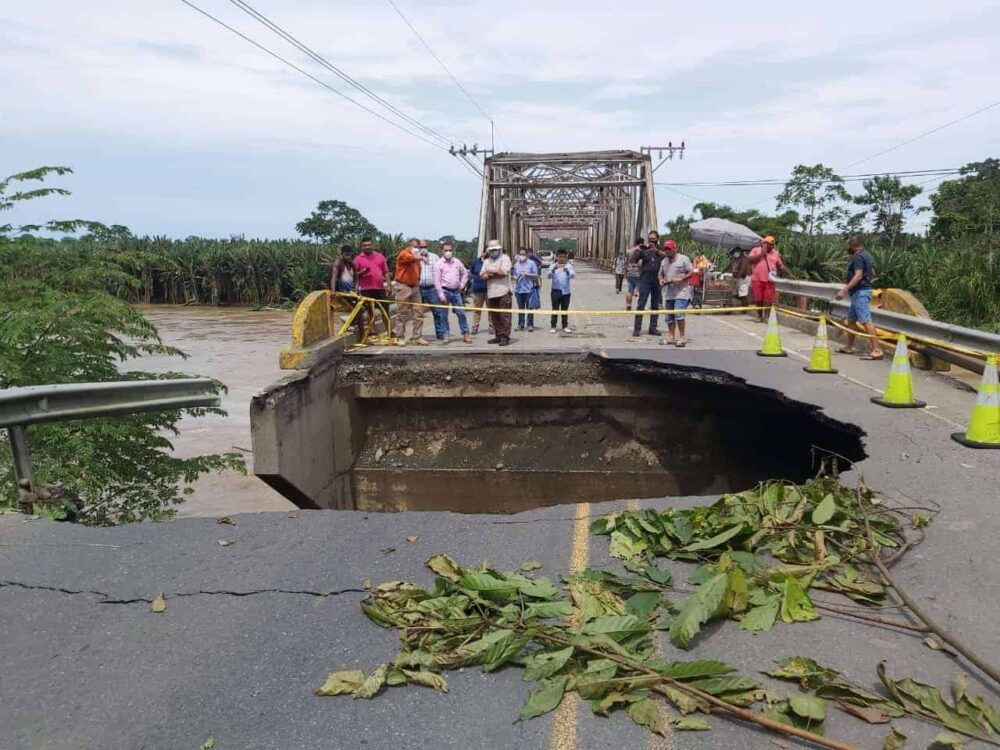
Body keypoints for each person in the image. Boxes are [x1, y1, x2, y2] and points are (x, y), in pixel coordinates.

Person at [836, 236, 885, 360]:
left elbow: (858, 276)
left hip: (860, 292)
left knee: (865, 320)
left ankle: (877, 350)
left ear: (853, 246)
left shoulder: (857, 257)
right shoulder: (867, 255)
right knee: (852, 320)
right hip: (860, 292)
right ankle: (849, 347)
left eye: (848, 246)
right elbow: (872, 273)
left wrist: (844, 289)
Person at [658, 240, 695, 347]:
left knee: (679, 314)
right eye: (666, 249)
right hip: (669, 292)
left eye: (669, 249)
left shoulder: (683, 259)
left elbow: (691, 272)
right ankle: (671, 337)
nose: (667, 251)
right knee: (669, 316)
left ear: (674, 249)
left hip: (682, 292)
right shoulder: (664, 261)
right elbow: (660, 274)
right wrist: (661, 280)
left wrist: (681, 278)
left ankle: (682, 337)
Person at [434, 241, 472, 344]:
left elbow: (465, 273)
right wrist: (441, 295)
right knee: (443, 315)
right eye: (446, 250)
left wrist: (462, 285)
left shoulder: (457, 262)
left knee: (461, 313)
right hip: (445, 291)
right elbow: (437, 281)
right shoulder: (439, 264)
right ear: (442, 251)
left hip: (456, 292)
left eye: (450, 250)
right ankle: (446, 334)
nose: (448, 252)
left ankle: (465, 333)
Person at [392, 238, 428, 346]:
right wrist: (421, 257)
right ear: (409, 246)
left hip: (415, 286)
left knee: (418, 312)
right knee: (402, 313)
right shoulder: (404, 254)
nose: (417, 249)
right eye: (415, 247)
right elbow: (410, 258)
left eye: (419, 247)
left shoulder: (417, 260)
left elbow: (418, 271)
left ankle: (417, 336)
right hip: (403, 286)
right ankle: (400, 337)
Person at [631, 230, 664, 337]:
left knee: (655, 305)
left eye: (653, 239)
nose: (651, 241)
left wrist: (656, 250)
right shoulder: (644, 250)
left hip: (656, 280)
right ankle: (637, 329)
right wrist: (638, 251)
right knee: (641, 304)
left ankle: (653, 328)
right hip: (645, 279)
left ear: (657, 239)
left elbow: (667, 256)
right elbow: (632, 260)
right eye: (650, 239)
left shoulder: (661, 249)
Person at [353, 236, 391, 329]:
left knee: (385, 311)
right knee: (370, 312)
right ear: (361, 246)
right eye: (365, 245)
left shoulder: (380, 256)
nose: (367, 247)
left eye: (369, 245)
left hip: (380, 289)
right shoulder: (358, 259)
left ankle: (389, 332)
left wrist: (389, 285)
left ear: (372, 245)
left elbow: (386, 272)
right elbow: (353, 275)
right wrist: (362, 272)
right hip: (366, 290)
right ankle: (371, 332)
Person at [480, 239, 513, 346]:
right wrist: (490, 273)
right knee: (494, 316)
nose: (493, 251)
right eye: (491, 250)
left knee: (505, 316)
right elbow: (482, 275)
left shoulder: (505, 258)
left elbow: (503, 272)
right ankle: (498, 335)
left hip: (503, 291)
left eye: (495, 249)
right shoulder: (486, 261)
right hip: (491, 292)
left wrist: (489, 272)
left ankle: (505, 336)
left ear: (499, 249)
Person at [748, 235, 785, 322]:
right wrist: (762, 254)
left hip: (769, 280)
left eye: (772, 245)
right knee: (758, 299)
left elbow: (780, 264)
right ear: (764, 243)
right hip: (757, 279)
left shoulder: (775, 253)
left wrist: (785, 269)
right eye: (769, 244)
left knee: (768, 299)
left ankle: (767, 317)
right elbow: (749, 260)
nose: (771, 246)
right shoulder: (755, 250)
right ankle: (760, 315)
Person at [417, 239, 446, 341]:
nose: (423, 249)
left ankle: (440, 333)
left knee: (437, 312)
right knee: (417, 313)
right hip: (418, 289)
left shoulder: (435, 257)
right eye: (421, 247)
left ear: (428, 247)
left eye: (425, 247)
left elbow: (440, 272)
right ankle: (417, 335)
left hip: (432, 289)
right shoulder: (415, 258)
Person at [547, 248, 575, 333]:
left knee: (564, 310)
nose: (561, 258)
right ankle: (553, 326)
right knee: (555, 309)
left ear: (566, 257)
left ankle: (565, 326)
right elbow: (548, 276)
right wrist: (553, 270)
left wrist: (568, 272)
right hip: (556, 291)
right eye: (560, 257)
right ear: (556, 257)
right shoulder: (553, 265)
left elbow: (573, 276)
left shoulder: (568, 266)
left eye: (563, 257)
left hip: (566, 292)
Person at [513, 247, 538, 331]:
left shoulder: (531, 263)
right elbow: (514, 275)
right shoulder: (516, 264)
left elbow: (536, 275)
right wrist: (515, 277)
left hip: (529, 289)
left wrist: (529, 274)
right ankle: (521, 324)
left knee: (529, 308)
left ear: (527, 254)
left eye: (523, 254)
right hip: (519, 290)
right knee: (520, 308)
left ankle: (530, 324)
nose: (522, 256)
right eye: (520, 254)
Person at [469, 248, 489, 335]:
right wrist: (474, 279)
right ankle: (475, 327)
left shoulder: (491, 262)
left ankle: (492, 326)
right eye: (486, 252)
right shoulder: (476, 262)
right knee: (477, 309)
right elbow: (471, 272)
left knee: (491, 309)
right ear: (483, 252)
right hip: (477, 289)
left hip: (489, 289)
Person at [624, 238, 642, 311]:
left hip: (630, 273)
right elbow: (640, 263)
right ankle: (640, 306)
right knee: (641, 290)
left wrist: (625, 272)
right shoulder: (641, 250)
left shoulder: (629, 251)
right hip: (638, 273)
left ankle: (628, 305)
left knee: (629, 291)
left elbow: (626, 263)